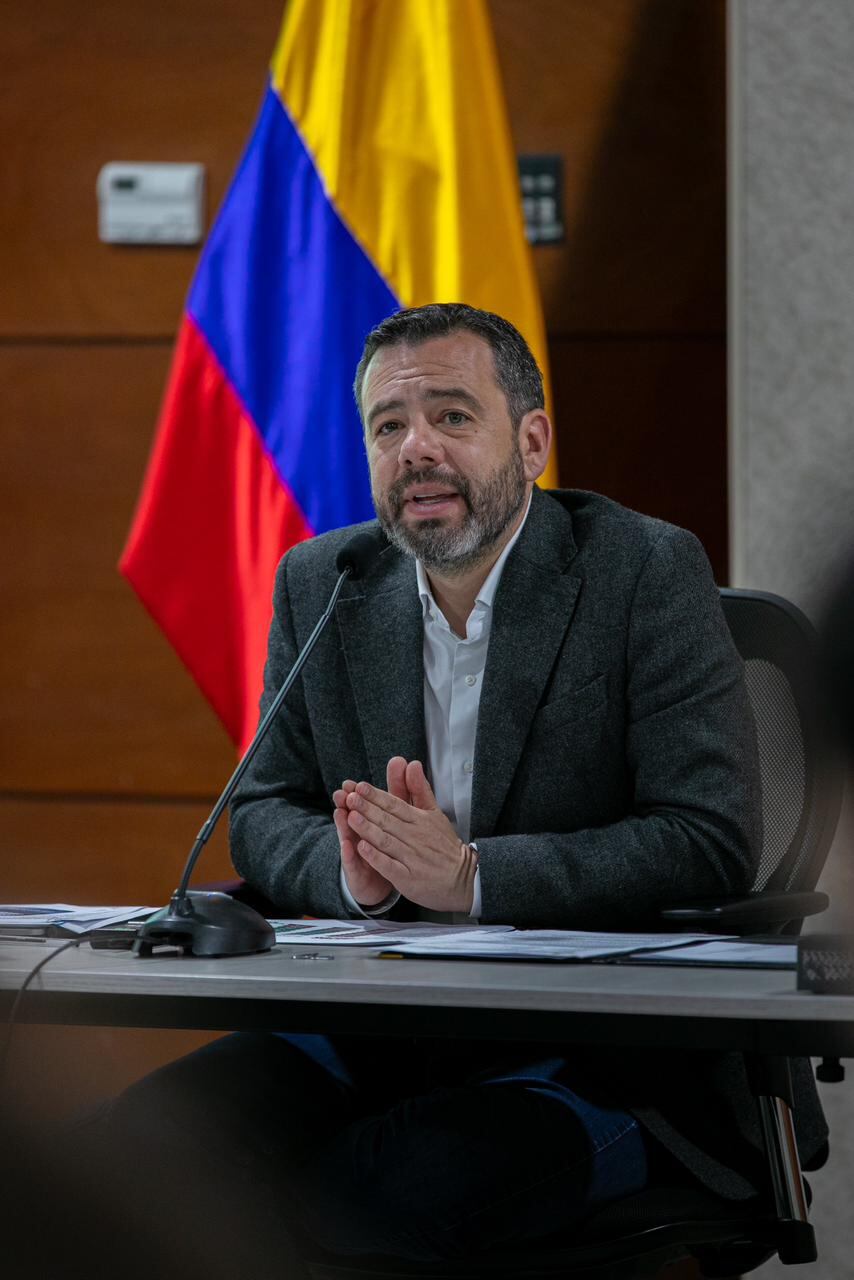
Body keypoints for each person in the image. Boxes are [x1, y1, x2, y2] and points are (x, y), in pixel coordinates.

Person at [108, 304, 827, 1266]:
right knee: (132, 1158)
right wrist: (351, 873)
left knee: (370, 1201)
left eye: (452, 417)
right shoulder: (323, 582)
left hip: (607, 1062)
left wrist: (477, 876)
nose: (416, 450)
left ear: (530, 441)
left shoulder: (640, 569)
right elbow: (264, 812)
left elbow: (709, 836)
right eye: (388, 426)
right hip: (382, 1032)